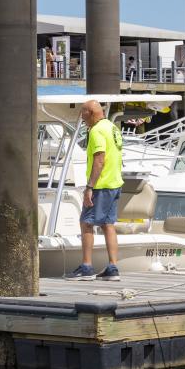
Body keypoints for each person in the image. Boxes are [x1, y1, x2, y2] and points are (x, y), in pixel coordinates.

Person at [67, 99, 124, 281]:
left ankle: (86, 267)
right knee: (108, 225)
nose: (81, 118)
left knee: (86, 222)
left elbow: (100, 158)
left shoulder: (97, 131)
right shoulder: (112, 127)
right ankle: (113, 267)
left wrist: (89, 187)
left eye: (83, 113)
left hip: (101, 185)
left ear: (90, 113)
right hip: (115, 183)